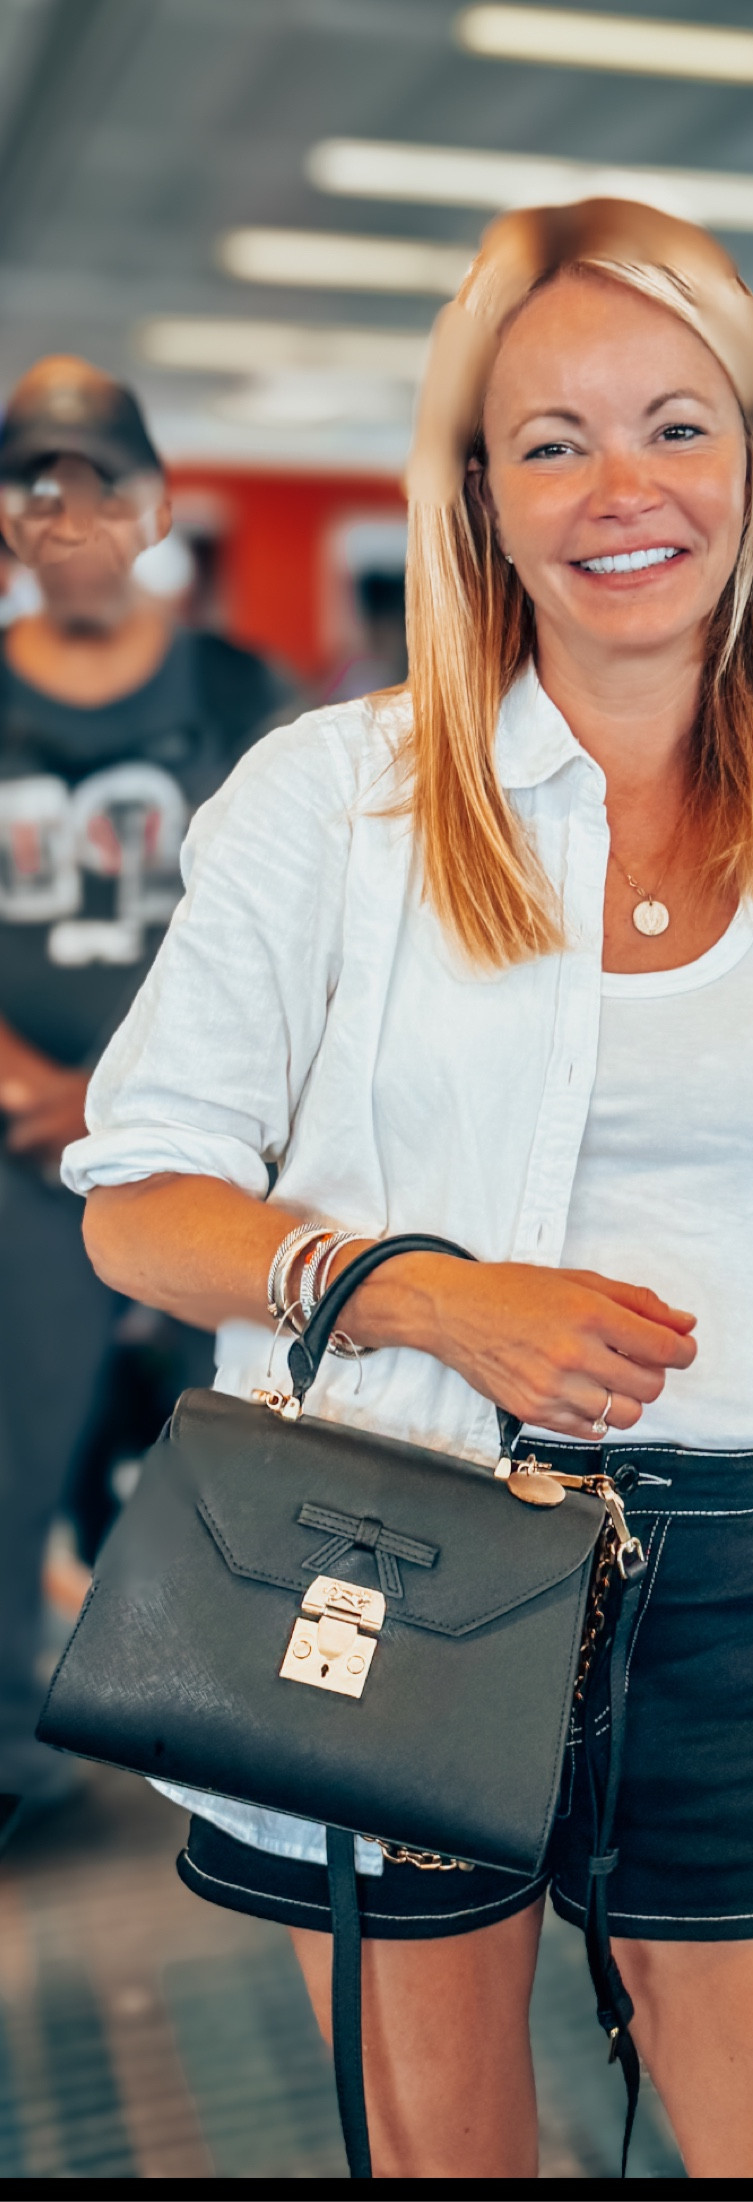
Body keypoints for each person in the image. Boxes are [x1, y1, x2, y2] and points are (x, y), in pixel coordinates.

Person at [63, 205, 753, 2178]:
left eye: (676, 427)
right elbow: (139, 1199)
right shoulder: (335, 801)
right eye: (551, 440)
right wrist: (422, 1289)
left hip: (748, 1570)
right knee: (451, 2159)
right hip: (399, 1541)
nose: (621, 491)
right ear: (478, 494)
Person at [0, 357, 289, 1809]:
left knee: (227, 1445)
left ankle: (229, 1729)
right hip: (12, 1147)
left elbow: (297, 921)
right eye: (31, 483)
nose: (66, 511)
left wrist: (127, 1090)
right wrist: (37, 1089)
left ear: (155, 503)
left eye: (97, 479)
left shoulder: (242, 695)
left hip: (207, 1148)